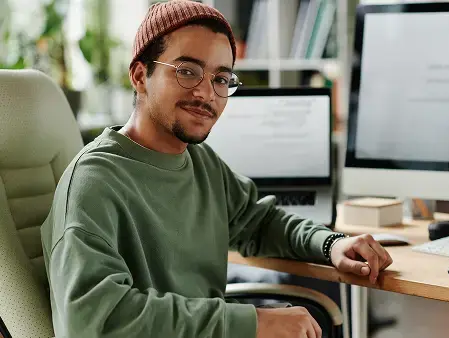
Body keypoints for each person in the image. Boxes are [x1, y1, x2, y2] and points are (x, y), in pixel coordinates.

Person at [40, 1, 393, 337]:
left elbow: (259, 222)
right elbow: (92, 322)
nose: (207, 94)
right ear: (139, 75)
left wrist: (330, 243)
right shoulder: (94, 182)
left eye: (221, 79)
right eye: (188, 72)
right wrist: (250, 324)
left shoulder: (200, 162)